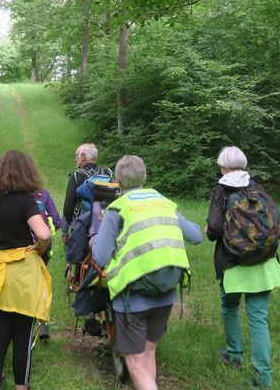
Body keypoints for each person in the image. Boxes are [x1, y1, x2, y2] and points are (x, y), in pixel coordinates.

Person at [92, 155, 202, 390]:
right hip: (165, 293)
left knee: (134, 360)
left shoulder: (117, 209)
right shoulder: (164, 203)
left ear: (118, 181)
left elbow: (100, 257)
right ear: (145, 177)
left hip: (133, 299)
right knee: (149, 354)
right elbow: (196, 236)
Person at [205, 146, 280, 389]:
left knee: (229, 307)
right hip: (263, 262)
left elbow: (214, 230)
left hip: (233, 262)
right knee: (258, 319)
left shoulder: (222, 189)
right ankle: (263, 377)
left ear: (224, 167)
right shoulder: (256, 186)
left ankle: (234, 355)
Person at [0, 150, 52, 390]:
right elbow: (43, 233)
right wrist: (38, 248)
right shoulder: (26, 200)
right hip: (22, 277)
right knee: (22, 339)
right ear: (27, 173)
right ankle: (22, 387)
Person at [61, 143, 112, 242]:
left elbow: (68, 206)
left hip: (83, 225)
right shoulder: (107, 173)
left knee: (78, 256)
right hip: (105, 223)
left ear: (83, 157)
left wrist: (64, 232)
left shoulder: (77, 175)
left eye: (76, 156)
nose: (75, 159)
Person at [32, 187, 62, 340]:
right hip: (43, 246)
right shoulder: (43, 194)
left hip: (23, 247)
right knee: (42, 281)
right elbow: (57, 221)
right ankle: (43, 322)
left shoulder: (13, 193)